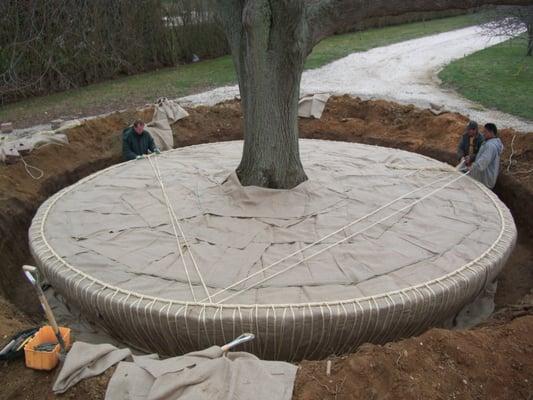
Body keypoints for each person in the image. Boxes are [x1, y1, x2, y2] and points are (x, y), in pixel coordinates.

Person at [469, 123, 503, 189]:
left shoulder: (490, 146)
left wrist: (472, 167)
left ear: (491, 132)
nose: (483, 134)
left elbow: (483, 162)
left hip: (485, 180)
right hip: (486, 178)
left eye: (485, 132)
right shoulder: (490, 143)